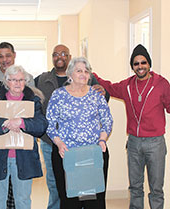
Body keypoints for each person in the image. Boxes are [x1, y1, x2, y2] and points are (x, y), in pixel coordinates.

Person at [93, 44, 170, 209]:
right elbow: (110, 87)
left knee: (156, 189)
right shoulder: (127, 85)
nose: (140, 66)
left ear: (149, 64)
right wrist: (90, 74)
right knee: (135, 188)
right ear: (132, 66)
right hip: (134, 143)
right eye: (136, 63)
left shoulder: (161, 83)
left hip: (155, 144)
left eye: (143, 62)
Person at [34, 44, 110, 209]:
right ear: (70, 74)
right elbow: (50, 123)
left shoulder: (96, 94)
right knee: (70, 200)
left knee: (93, 199)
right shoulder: (59, 95)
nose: (83, 74)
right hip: (66, 155)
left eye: (86, 71)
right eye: (79, 70)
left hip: (93, 153)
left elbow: (107, 120)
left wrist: (102, 140)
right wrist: (59, 143)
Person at [0, 65, 48, 209]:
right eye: (13, 80)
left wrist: (22, 122)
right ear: (6, 81)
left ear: (26, 81)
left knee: (23, 201)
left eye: (21, 80)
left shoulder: (33, 101)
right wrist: (4, 123)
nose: (17, 83)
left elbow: (41, 125)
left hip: (24, 159)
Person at [0, 41, 34, 209]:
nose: (4, 60)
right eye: (1, 56)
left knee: (21, 198)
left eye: (8, 55)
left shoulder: (28, 77)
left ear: (14, 55)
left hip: (21, 147)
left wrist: (21, 122)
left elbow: (33, 110)